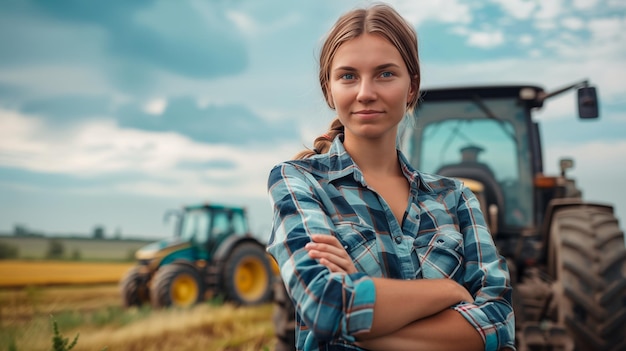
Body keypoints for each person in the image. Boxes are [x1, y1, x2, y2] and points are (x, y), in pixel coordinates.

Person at [266, 3, 515, 350]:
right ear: (329, 90)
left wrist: (358, 300)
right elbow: (324, 305)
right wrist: (449, 293)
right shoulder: (299, 182)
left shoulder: (456, 198)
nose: (366, 92)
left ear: (411, 87)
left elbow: (500, 323)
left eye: (385, 74)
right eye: (348, 76)